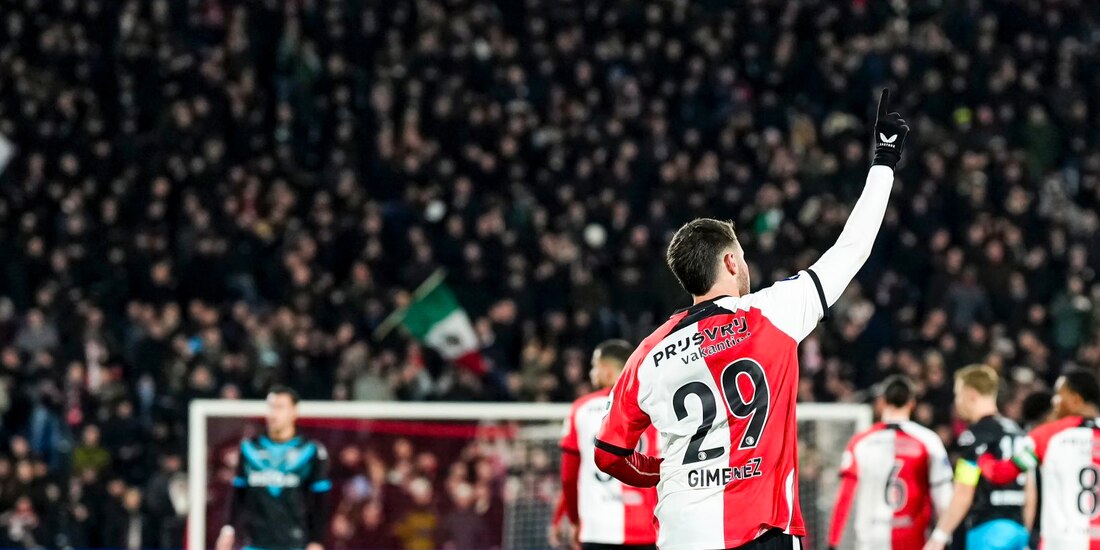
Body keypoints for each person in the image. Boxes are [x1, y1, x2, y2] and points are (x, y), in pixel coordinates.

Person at [593, 90, 909, 550]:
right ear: (730, 263)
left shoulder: (647, 354)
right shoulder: (773, 312)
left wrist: (665, 471)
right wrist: (884, 161)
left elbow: (608, 453)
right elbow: (852, 248)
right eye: (742, 255)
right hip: (758, 532)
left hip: (681, 532)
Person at [973, 368, 1100, 549]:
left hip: (1060, 543)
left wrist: (980, 455)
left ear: (1075, 400)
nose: (1054, 402)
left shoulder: (1045, 436)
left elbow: (1000, 474)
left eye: (1058, 395)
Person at [552, 340, 659, 550]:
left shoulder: (582, 409)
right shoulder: (655, 406)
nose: (592, 373)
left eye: (594, 366)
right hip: (646, 529)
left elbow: (568, 476)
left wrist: (572, 519)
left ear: (607, 371)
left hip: (596, 528)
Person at [827, 375, 953, 550]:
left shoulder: (860, 442)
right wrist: (944, 537)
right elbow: (944, 498)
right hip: (913, 538)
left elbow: (845, 496)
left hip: (870, 540)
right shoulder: (929, 441)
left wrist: (833, 542)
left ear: (882, 402)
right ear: (912, 403)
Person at [923, 365, 1027, 550]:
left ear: (970, 394)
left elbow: (964, 492)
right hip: (1018, 530)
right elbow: (1030, 487)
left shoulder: (975, 436)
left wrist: (938, 537)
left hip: (988, 531)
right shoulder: (1017, 432)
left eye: (958, 395)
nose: (956, 402)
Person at [216, 386, 331, 550]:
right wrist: (228, 528)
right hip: (255, 543)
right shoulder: (249, 449)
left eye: (280, 407)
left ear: (294, 412)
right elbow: (238, 493)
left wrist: (317, 540)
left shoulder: (311, 451)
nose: (274, 413)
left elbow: (320, 502)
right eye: (271, 407)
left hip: (294, 543)